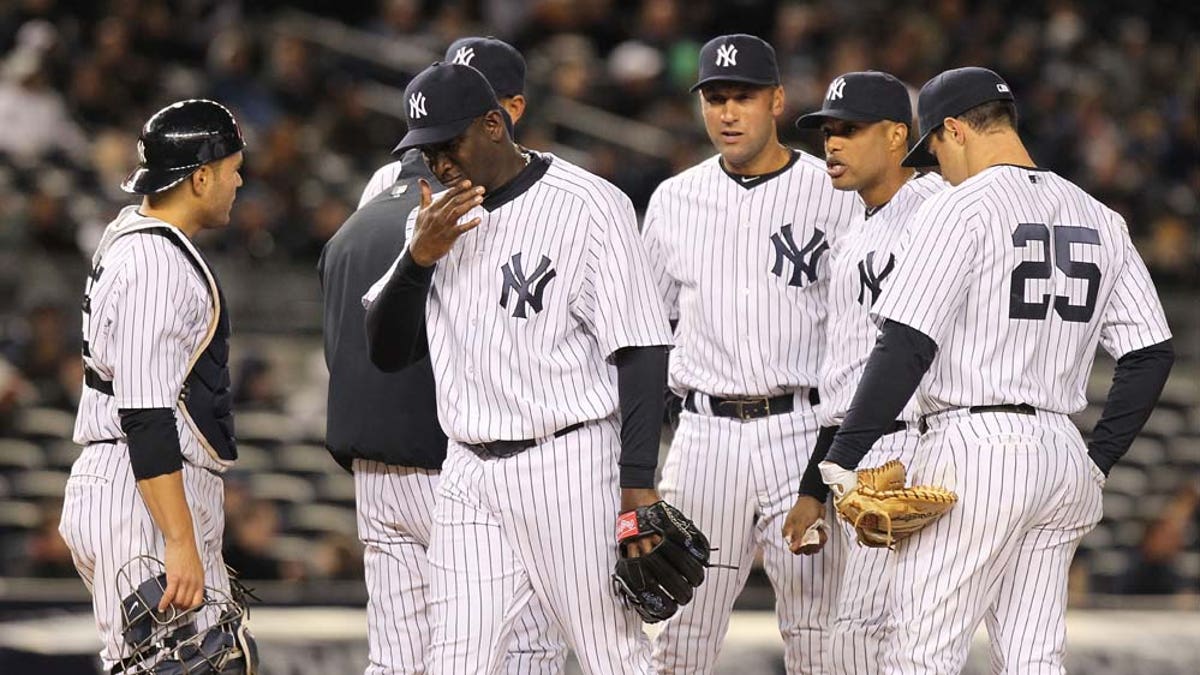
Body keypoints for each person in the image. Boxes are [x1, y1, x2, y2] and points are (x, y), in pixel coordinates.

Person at [817, 67, 1175, 673]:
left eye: (934, 149)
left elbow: (905, 343)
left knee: (920, 651)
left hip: (976, 447)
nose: (937, 166)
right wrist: (1099, 460)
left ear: (954, 129)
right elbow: (1149, 353)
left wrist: (844, 456)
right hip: (1063, 454)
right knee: (1035, 657)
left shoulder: (960, 210)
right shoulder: (1099, 216)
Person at [363, 61, 678, 674]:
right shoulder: (429, 221)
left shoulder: (589, 204)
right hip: (468, 475)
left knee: (611, 655)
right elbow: (386, 350)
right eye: (424, 150)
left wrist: (637, 485)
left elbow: (642, 348)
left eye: (447, 144)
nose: (438, 163)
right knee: (455, 660)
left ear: (493, 124)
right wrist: (419, 259)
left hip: (567, 465)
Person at [319, 36, 567, 674]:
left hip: (372, 462)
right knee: (519, 649)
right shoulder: (487, 200)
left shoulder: (374, 198)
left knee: (399, 658)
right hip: (462, 463)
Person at [640, 34, 858, 674]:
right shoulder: (674, 199)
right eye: (715, 98)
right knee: (677, 634)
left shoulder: (834, 192)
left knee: (820, 634)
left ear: (777, 101)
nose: (728, 113)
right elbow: (647, 332)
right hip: (704, 434)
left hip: (802, 430)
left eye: (743, 97)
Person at [57, 99, 248, 671]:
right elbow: (145, 413)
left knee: (211, 662)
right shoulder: (154, 264)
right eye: (233, 169)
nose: (240, 181)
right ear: (201, 176)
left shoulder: (137, 234)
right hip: (139, 498)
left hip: (145, 492)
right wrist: (179, 538)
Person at [781, 70, 945, 674]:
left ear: (898, 134)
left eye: (850, 130)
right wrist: (813, 485)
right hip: (862, 447)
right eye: (827, 132)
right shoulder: (852, 235)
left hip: (921, 438)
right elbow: (847, 378)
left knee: (870, 638)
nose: (833, 144)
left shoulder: (942, 208)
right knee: (870, 639)